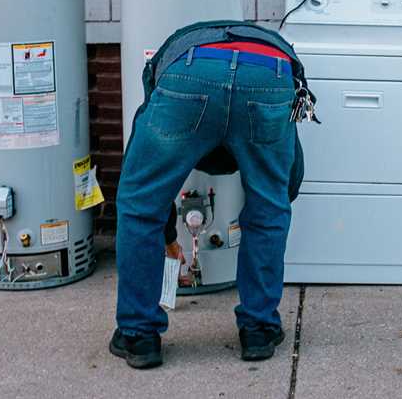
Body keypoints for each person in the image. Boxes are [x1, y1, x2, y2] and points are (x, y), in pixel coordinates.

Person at [110, 20, 310, 369]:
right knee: (269, 210)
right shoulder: (274, 54)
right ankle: (259, 330)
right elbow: (289, 181)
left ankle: (138, 336)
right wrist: (276, 200)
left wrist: (166, 231)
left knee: (139, 207)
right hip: (269, 73)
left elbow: (142, 183)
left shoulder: (164, 67)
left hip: (189, 73)